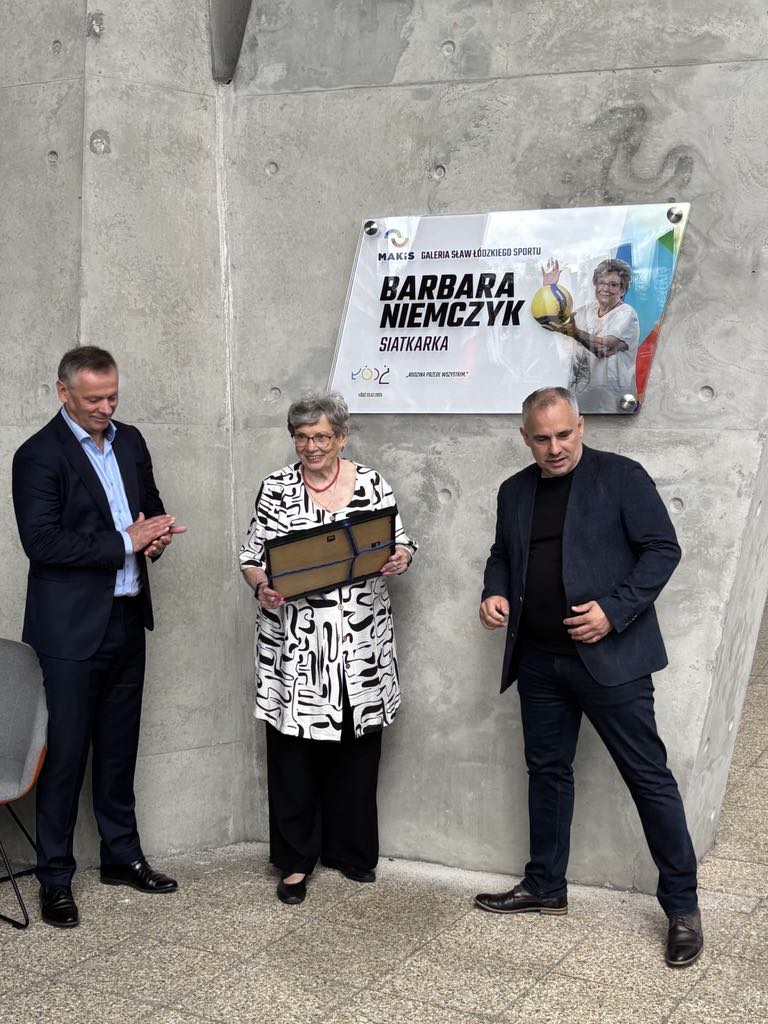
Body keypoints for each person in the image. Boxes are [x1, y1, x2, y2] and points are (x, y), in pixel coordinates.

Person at [474, 386, 703, 968]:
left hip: (613, 663)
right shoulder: (514, 491)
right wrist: (494, 591)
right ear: (525, 438)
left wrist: (613, 612)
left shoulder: (622, 477)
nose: (555, 448)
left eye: (563, 434)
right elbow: (503, 554)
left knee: (648, 778)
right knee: (547, 773)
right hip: (539, 662)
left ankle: (682, 907)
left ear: (580, 426)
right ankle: (545, 885)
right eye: (542, 438)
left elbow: (662, 550)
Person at [12, 346, 186, 928]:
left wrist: (156, 535)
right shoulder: (37, 455)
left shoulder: (130, 441)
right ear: (63, 392)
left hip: (126, 618)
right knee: (65, 756)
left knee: (118, 747)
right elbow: (42, 543)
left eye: (112, 396)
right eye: (93, 399)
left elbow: (149, 508)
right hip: (67, 633)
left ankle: (121, 856)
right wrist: (124, 542)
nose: (106, 408)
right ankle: (54, 879)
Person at [239, 391, 416, 905]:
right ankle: (296, 863)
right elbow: (252, 556)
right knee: (294, 754)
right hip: (296, 644)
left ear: (341, 437)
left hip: (361, 642)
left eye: (321, 436)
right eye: (302, 437)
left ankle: (350, 851)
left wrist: (401, 557)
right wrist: (261, 586)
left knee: (356, 747)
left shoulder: (372, 483)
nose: (311, 446)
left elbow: (401, 540)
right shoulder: (276, 488)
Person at [541, 257, 640, 413]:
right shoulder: (587, 310)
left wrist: (574, 332)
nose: (605, 288)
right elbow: (557, 320)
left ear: (622, 290)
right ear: (596, 285)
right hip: (581, 402)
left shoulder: (627, 314)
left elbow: (604, 349)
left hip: (611, 406)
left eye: (613, 284)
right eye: (601, 282)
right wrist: (549, 288)